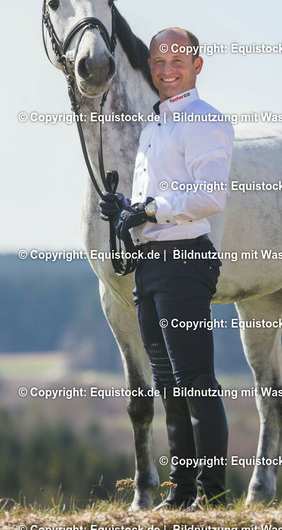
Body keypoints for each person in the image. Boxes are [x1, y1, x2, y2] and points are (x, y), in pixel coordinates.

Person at [100, 27, 234, 510]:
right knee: (168, 386)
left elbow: (210, 195)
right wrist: (125, 209)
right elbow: (155, 200)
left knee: (195, 380)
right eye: (158, 60)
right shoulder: (154, 127)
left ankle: (213, 498)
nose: (166, 68)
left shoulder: (204, 121)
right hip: (151, 264)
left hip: (184, 261)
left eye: (177, 60)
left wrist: (150, 209)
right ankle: (180, 494)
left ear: (197, 66)